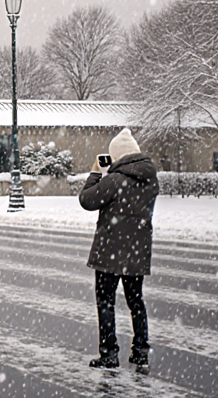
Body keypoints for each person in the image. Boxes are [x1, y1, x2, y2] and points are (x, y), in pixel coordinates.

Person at [79, 128, 159, 372]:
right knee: (136, 302)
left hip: (109, 253)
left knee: (106, 302)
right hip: (137, 251)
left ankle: (109, 354)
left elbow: (86, 200)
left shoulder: (114, 181)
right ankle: (141, 352)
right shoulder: (150, 179)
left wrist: (96, 172)